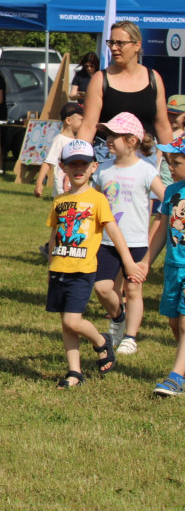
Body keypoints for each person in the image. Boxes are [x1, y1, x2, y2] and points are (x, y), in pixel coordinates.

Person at [44, 139, 142, 388]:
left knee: (72, 321)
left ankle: (101, 341)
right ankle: (74, 372)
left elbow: (114, 231)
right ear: (62, 166)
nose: (78, 169)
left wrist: (128, 262)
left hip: (83, 270)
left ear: (93, 167)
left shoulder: (97, 200)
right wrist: (50, 265)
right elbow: (55, 235)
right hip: (59, 270)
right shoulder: (59, 201)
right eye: (72, 164)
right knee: (66, 324)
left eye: (84, 164)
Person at [92, 113, 163, 356]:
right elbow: (94, 201)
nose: (109, 139)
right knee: (102, 288)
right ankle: (118, 318)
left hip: (136, 242)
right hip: (106, 241)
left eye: (115, 135)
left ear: (132, 141)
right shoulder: (102, 169)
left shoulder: (145, 170)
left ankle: (130, 337)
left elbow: (167, 198)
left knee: (133, 290)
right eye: (108, 134)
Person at [78, 20, 173, 156]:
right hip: (107, 157)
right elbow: (88, 126)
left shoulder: (153, 78)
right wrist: (79, 159)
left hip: (145, 158)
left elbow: (162, 126)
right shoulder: (100, 79)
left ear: (137, 45)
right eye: (111, 42)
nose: (114, 48)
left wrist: (173, 163)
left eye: (120, 43)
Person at [147, 136, 185, 395]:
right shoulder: (171, 191)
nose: (169, 167)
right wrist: (145, 261)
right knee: (174, 323)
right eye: (169, 161)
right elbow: (161, 229)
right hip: (173, 267)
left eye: (176, 162)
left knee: (184, 323)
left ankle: (176, 376)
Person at [34, 102, 84, 199]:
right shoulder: (60, 140)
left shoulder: (78, 139)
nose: (84, 123)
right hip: (62, 187)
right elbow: (48, 162)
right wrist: (39, 183)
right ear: (69, 120)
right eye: (81, 120)